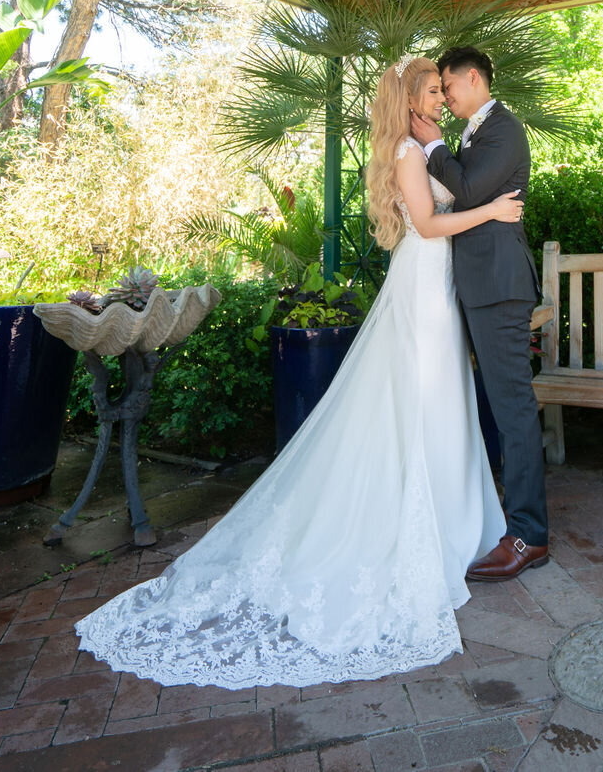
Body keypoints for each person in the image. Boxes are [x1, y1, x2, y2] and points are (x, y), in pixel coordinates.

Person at [74, 55, 522, 688]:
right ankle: (434, 532)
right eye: (430, 89)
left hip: (435, 291)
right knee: (427, 406)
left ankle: (457, 524)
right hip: (423, 294)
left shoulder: (423, 147)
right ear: (409, 99)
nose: (439, 97)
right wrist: (491, 213)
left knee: (443, 406)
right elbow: (426, 224)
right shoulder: (407, 150)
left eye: (440, 89)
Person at [410, 45, 549, 581]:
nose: (445, 96)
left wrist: (432, 145)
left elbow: (466, 189)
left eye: (448, 87)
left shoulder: (503, 129)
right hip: (478, 286)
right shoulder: (476, 131)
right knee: (500, 402)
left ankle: (529, 536)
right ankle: (506, 520)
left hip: (500, 287)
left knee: (513, 406)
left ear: (473, 78)